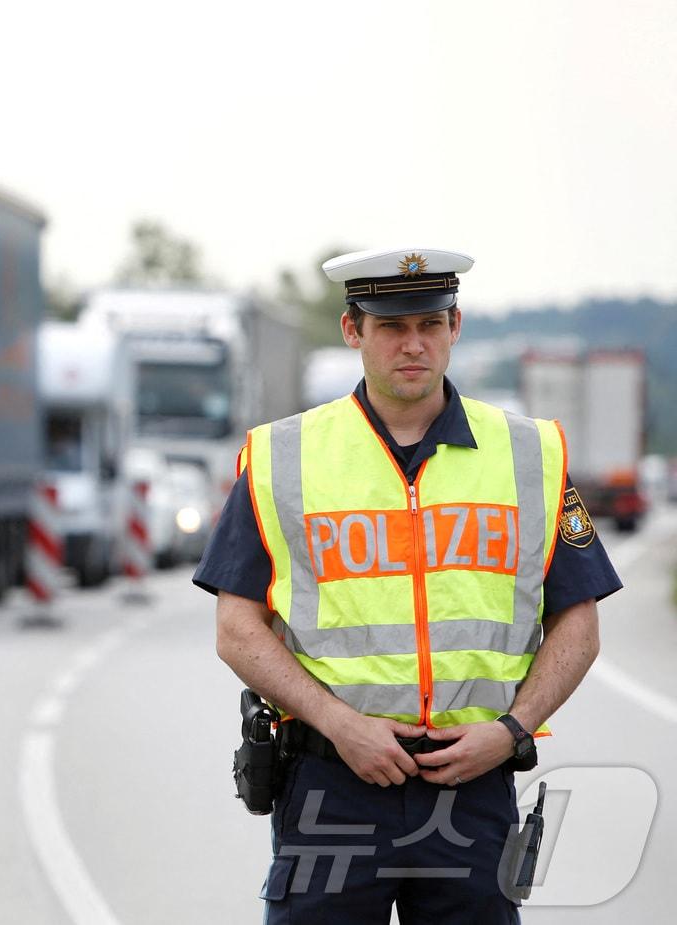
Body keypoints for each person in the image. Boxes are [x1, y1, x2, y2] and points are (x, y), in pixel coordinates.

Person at [194, 247, 620, 923]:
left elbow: (580, 625)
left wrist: (511, 730)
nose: (413, 343)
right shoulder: (284, 456)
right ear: (352, 330)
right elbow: (236, 628)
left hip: (471, 786)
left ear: (456, 326)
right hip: (333, 781)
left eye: (429, 323)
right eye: (391, 326)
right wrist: (340, 723)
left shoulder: (529, 453)